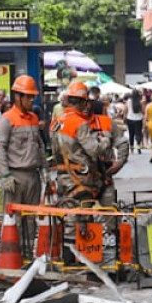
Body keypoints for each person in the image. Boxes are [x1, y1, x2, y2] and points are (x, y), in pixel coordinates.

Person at [0, 75, 47, 247]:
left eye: (33, 96)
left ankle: (27, 255)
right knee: (14, 219)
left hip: (33, 176)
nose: (32, 100)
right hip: (15, 177)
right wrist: (5, 175)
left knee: (30, 219)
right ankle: (11, 255)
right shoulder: (6, 120)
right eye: (29, 96)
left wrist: (44, 167)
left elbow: (37, 144)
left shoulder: (33, 118)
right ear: (18, 96)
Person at [51, 79, 120, 207]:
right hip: (80, 180)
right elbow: (94, 150)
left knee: (69, 220)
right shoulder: (80, 123)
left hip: (63, 178)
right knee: (82, 221)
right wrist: (104, 141)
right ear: (83, 101)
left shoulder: (55, 122)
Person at [125, 87, 145, 152]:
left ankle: (132, 148)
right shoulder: (140, 102)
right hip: (138, 119)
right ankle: (138, 147)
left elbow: (126, 110)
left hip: (130, 118)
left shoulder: (128, 101)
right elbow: (142, 111)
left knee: (131, 134)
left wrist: (125, 117)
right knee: (138, 133)